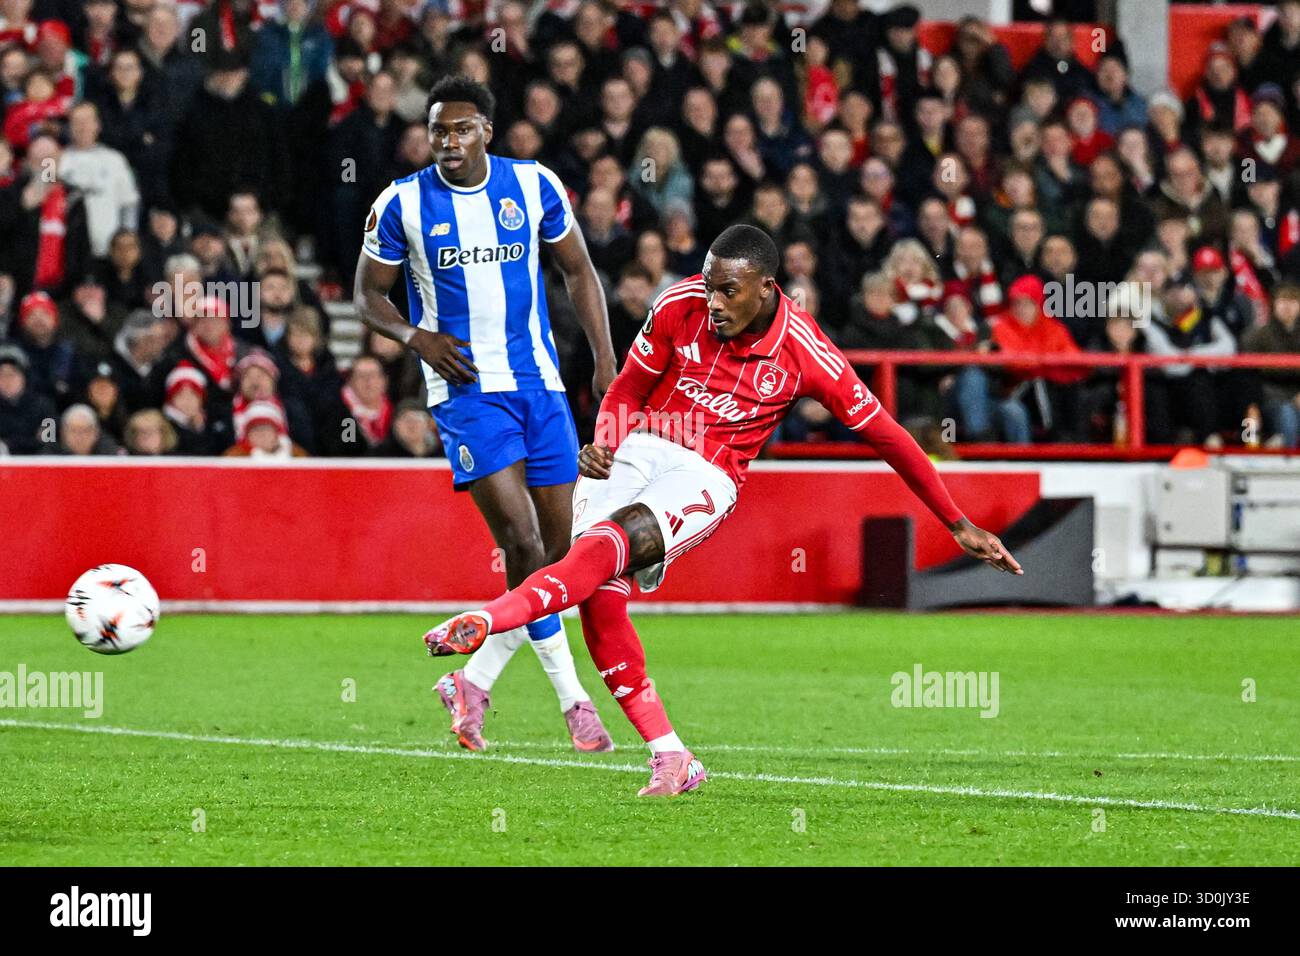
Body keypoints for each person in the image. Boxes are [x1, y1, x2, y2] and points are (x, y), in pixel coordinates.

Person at [425, 225, 1021, 797]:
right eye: (709, 285)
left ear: (766, 288)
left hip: (706, 473)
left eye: (727, 291)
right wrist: (607, 437)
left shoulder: (805, 349)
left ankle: (489, 621)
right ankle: (670, 755)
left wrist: (957, 520)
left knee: (608, 545)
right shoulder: (678, 304)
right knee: (596, 589)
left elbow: (887, 434)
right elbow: (629, 387)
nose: (711, 301)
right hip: (638, 448)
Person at [353, 76, 618, 753]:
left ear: (487, 133)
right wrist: (419, 339)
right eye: (439, 129)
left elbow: (580, 272)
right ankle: (573, 699)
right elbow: (367, 294)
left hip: (541, 384)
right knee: (524, 543)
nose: (449, 140)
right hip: (466, 392)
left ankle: (472, 680)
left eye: (462, 128)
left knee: (559, 554)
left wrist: (605, 360)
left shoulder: (533, 187)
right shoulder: (401, 204)